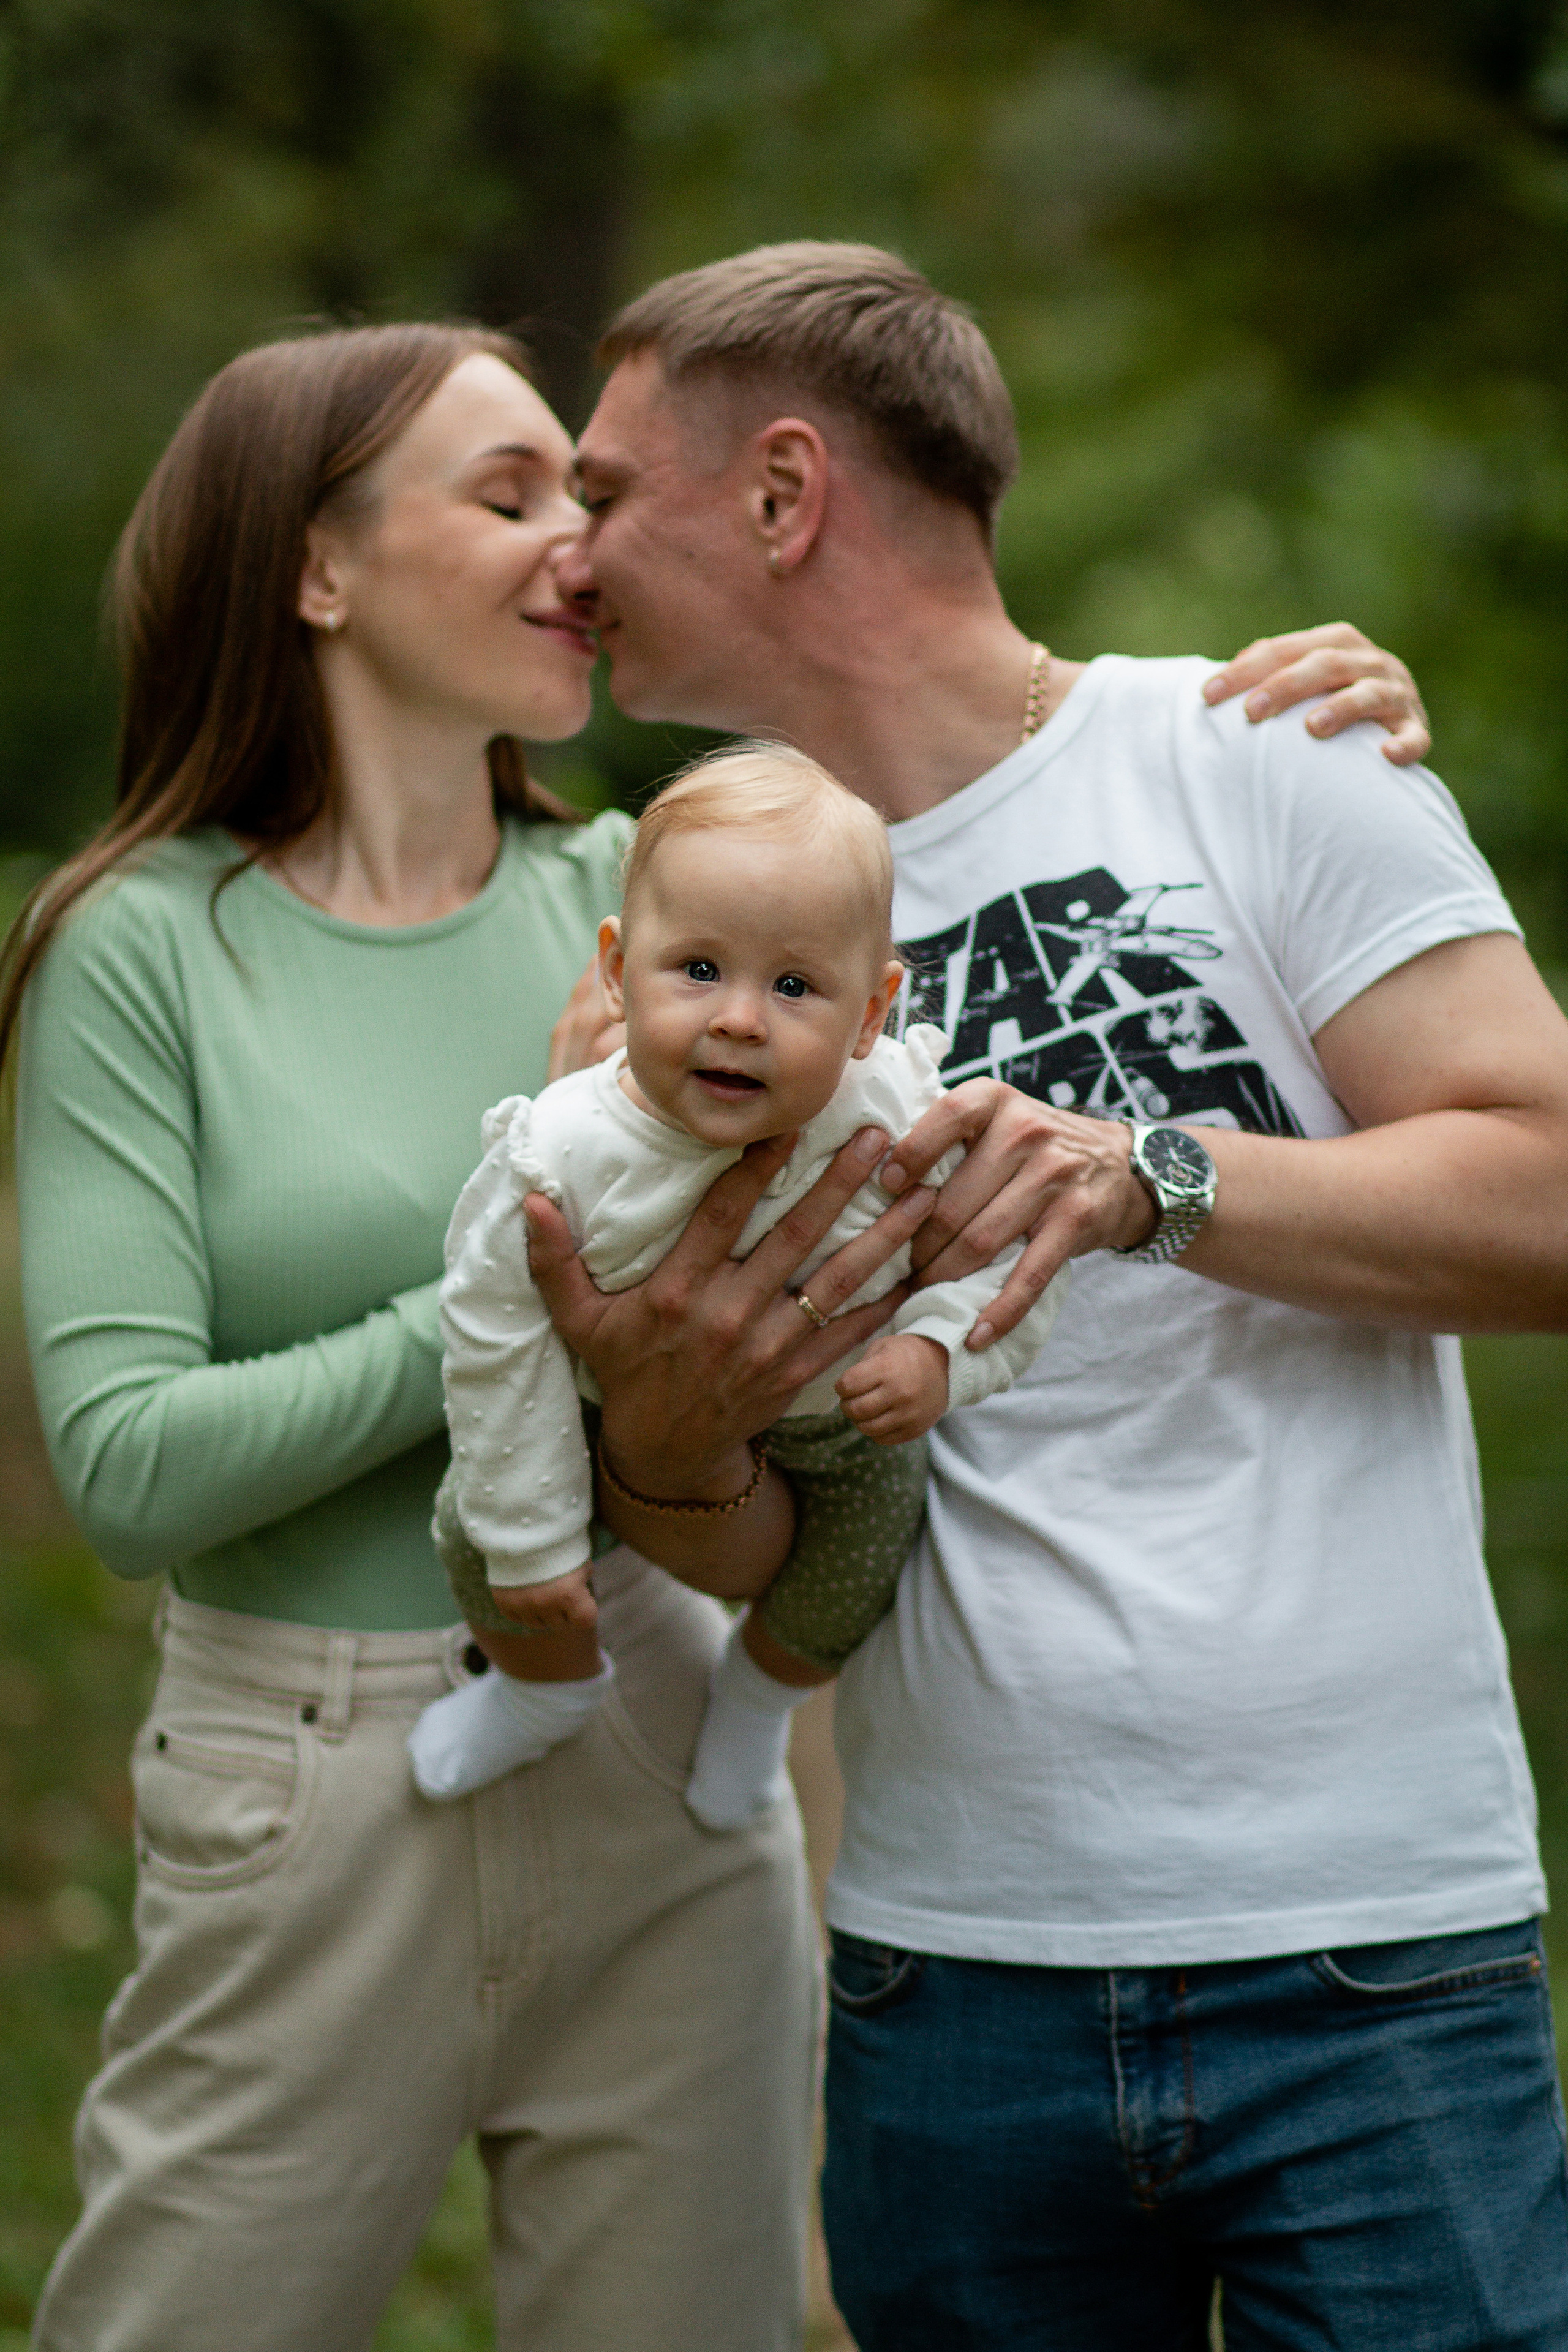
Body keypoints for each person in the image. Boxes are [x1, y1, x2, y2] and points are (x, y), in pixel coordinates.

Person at [522, 241, 1568, 2348]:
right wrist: (660, 1422)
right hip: (949, 1984)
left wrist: (1151, 1175)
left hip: (1371, 1958)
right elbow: (751, 1538)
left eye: (605, 490)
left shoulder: (1261, 750)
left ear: (784, 493)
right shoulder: (675, 956)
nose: (570, 549)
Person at [9, 324, 838, 2352]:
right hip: (315, 1786)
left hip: (661, 1746)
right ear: (317, 568)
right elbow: (131, 1469)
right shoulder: (137, 947)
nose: (581, 540)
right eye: (510, 493)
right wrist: (513, 1272)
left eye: (586, 493)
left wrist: (1236, 726)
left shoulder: (644, 907)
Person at [410, 741, 1066, 1828]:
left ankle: (759, 1699)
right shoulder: (559, 1150)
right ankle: (544, 1690)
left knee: (864, 1570)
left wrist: (940, 1352)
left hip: (843, 1419)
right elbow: (493, 1329)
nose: (740, 1020)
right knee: (482, 1538)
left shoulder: (898, 1114)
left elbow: (1008, 1250)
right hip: (589, 1408)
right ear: (616, 971)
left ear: (872, 1012)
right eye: (699, 969)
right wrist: (531, 1536)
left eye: (795, 986)